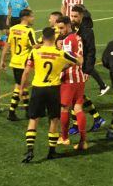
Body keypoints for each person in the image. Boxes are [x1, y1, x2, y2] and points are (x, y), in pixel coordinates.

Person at [20, 26, 80, 163]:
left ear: (43, 37)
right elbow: (77, 62)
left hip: (38, 88)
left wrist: (22, 89)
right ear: (54, 38)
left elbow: (27, 72)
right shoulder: (60, 53)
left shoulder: (35, 52)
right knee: (53, 120)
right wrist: (62, 67)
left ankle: (30, 151)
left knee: (33, 119)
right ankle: (51, 152)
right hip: (53, 89)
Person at [55, 15, 89, 150]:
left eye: (62, 28)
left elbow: (68, 61)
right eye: (58, 29)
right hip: (80, 77)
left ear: (69, 25)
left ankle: (64, 138)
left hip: (69, 78)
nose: (60, 31)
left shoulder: (68, 40)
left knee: (64, 108)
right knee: (78, 108)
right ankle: (83, 141)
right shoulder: (78, 37)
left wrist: (57, 70)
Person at [0, 9, 38, 120]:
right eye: (32, 16)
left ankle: (28, 111)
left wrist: (2, 59)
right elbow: (34, 46)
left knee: (23, 85)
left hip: (14, 61)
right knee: (19, 86)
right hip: (23, 62)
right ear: (25, 17)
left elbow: (7, 44)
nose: (33, 18)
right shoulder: (28, 30)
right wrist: (46, 43)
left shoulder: (13, 29)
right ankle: (11, 113)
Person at [70, 4, 108, 97]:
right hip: (73, 61)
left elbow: (91, 51)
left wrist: (88, 67)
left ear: (81, 16)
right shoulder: (71, 28)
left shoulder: (87, 31)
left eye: (75, 16)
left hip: (82, 61)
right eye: (71, 16)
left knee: (78, 89)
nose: (73, 19)